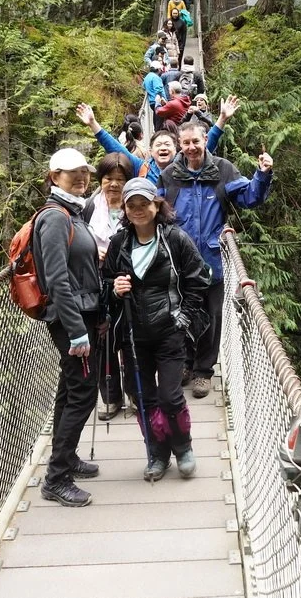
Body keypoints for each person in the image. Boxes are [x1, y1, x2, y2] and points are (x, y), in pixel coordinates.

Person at [103, 178, 210, 481]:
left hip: (169, 331)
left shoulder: (175, 239)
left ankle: (183, 447)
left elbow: (198, 279)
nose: (138, 210)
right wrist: (114, 288)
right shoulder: (119, 243)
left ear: (156, 205)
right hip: (133, 335)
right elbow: (104, 284)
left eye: (144, 203)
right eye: (131, 205)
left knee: (170, 396)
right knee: (143, 396)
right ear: (124, 209)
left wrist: (184, 318)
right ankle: (157, 452)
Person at [159, 121, 274, 398]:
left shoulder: (222, 169)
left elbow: (248, 197)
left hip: (212, 261)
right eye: (185, 143)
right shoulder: (170, 175)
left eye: (195, 142)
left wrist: (262, 174)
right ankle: (185, 363)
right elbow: (157, 210)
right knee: (180, 314)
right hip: (179, 262)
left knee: (210, 317)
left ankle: (203, 371)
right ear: (180, 146)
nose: (191, 148)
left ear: (204, 140)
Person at [35, 148, 105, 507]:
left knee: (70, 387)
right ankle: (56, 478)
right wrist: (78, 331)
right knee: (82, 393)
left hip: (82, 314)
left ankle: (67, 458)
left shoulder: (71, 212)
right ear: (53, 175)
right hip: (71, 319)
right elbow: (57, 279)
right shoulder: (56, 217)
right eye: (71, 173)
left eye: (84, 172)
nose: (81, 178)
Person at [81, 152, 133, 421]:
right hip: (97, 282)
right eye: (108, 178)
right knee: (103, 339)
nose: (113, 184)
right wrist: (93, 254)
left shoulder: (135, 204)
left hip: (129, 281)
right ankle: (111, 396)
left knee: (131, 336)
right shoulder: (87, 207)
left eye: (120, 179)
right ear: (100, 180)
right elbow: (76, 243)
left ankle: (136, 392)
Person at [77, 99, 236, 184]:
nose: (163, 148)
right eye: (158, 145)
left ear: (176, 149)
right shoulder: (141, 168)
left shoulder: (186, 163)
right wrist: (93, 124)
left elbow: (204, 147)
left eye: (167, 144)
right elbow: (117, 149)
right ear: (150, 151)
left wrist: (222, 119)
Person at [142, 62, 167, 128]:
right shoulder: (155, 77)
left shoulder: (147, 76)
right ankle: (158, 134)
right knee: (160, 121)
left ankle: (156, 131)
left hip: (151, 102)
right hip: (158, 102)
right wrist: (164, 100)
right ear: (158, 69)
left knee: (156, 119)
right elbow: (158, 90)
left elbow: (143, 86)